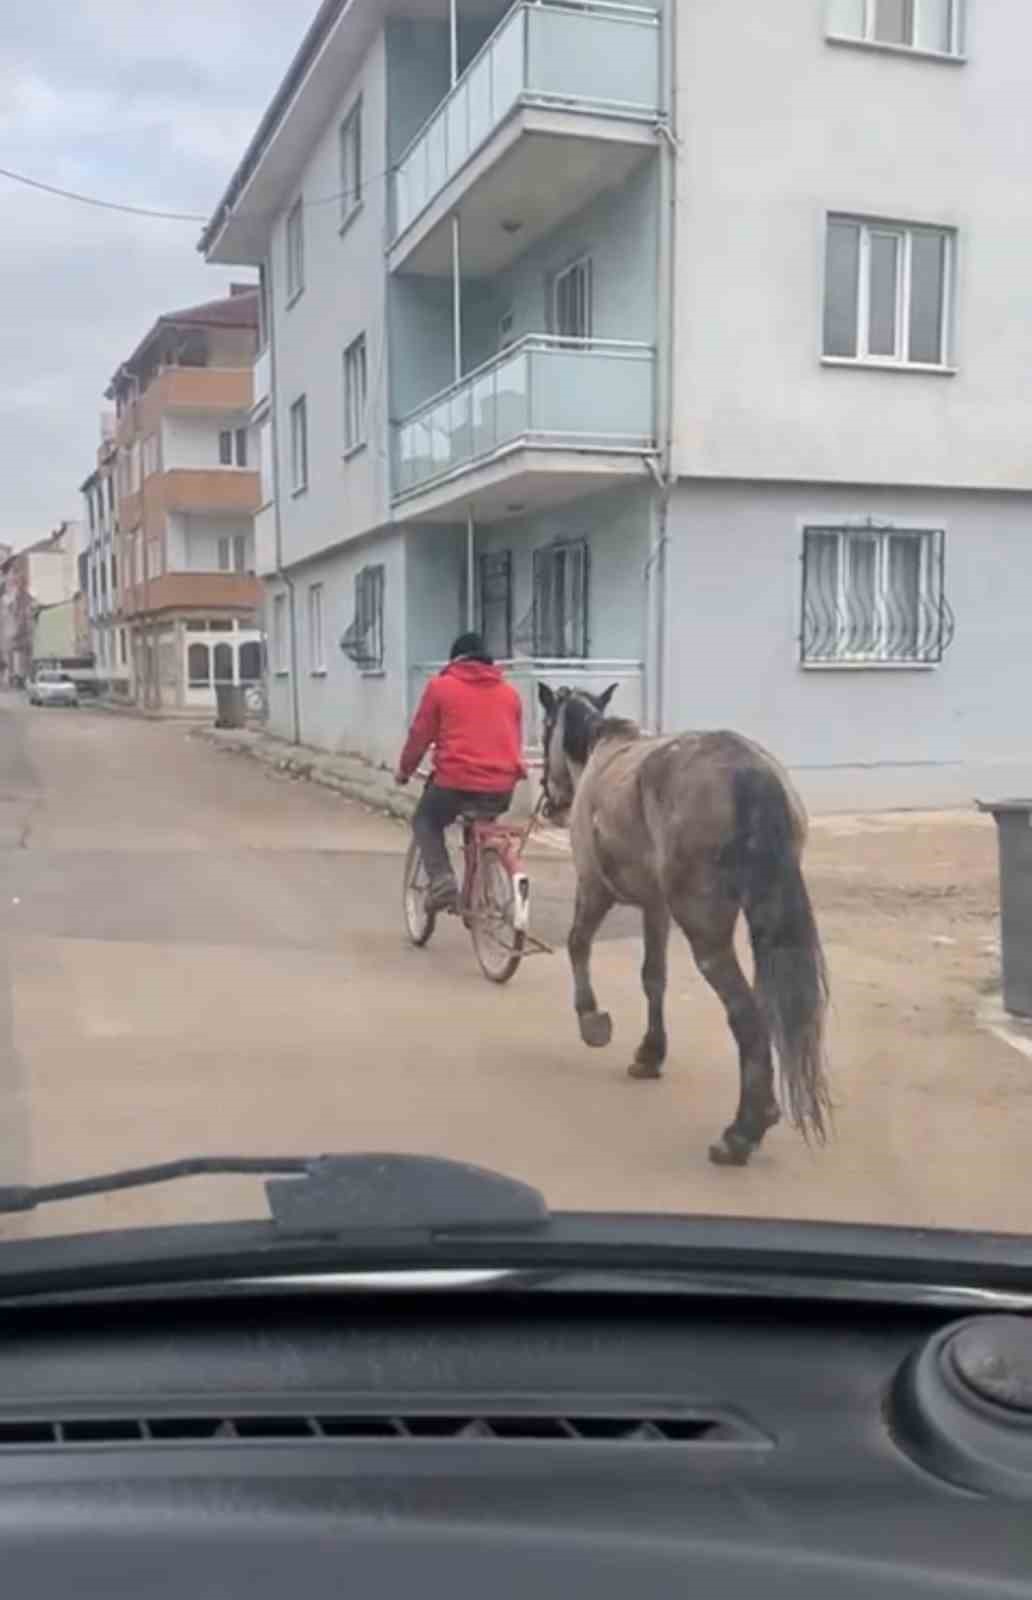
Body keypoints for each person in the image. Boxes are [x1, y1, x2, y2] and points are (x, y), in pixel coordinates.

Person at [395, 632, 526, 912]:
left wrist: (404, 771)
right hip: (502, 785)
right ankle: (474, 899)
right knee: (480, 826)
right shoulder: (510, 693)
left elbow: (420, 735)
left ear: (455, 660)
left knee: (425, 821)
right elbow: (513, 739)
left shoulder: (441, 687)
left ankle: (442, 881)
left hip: (455, 782)